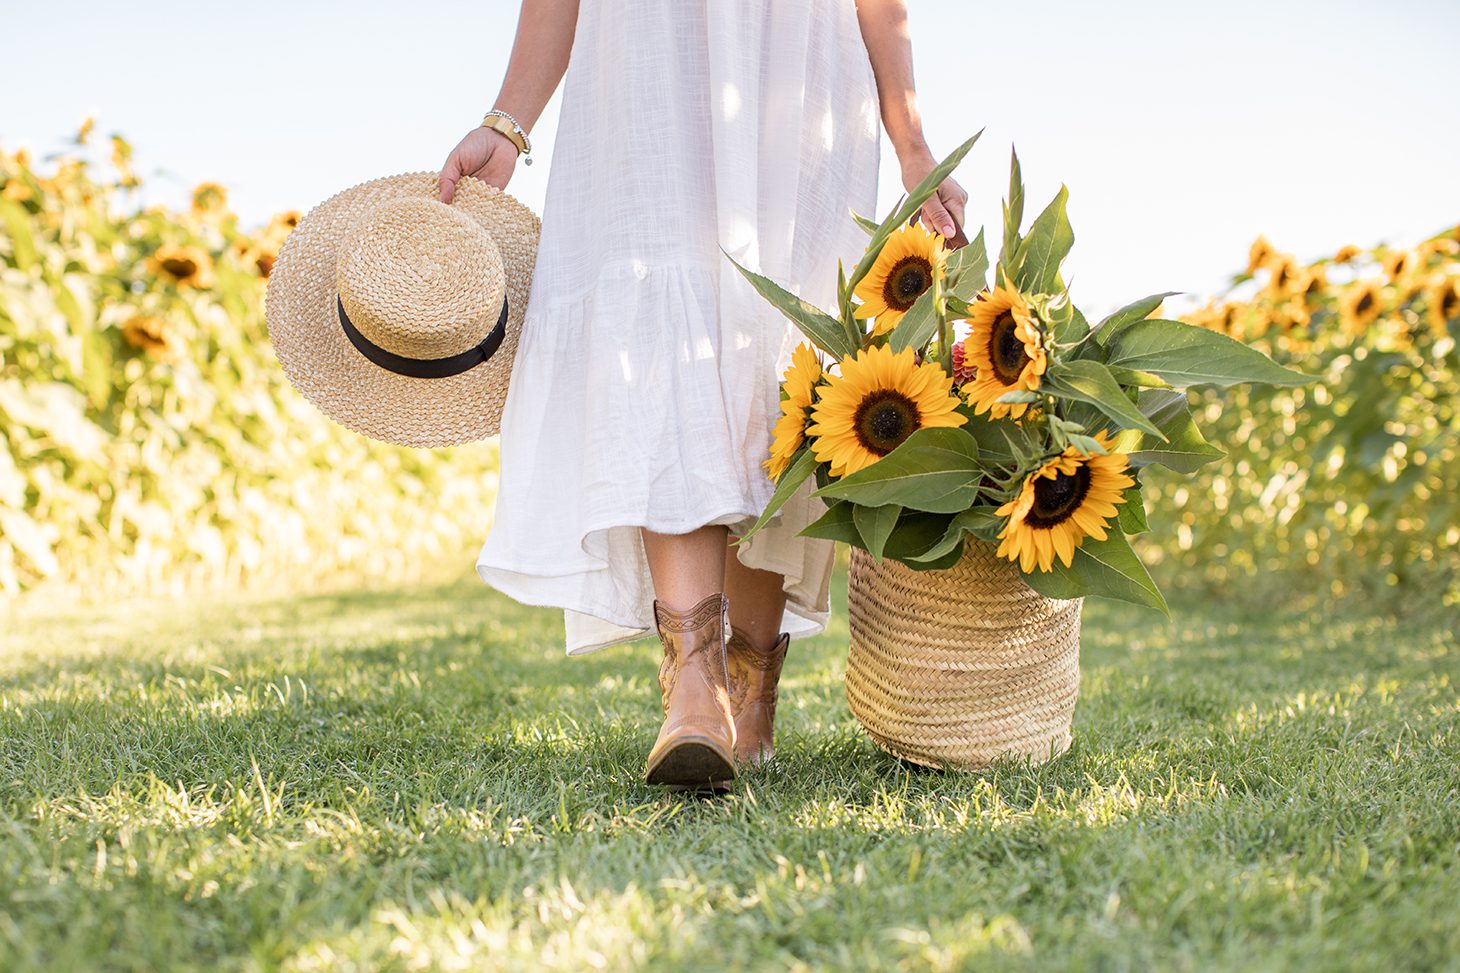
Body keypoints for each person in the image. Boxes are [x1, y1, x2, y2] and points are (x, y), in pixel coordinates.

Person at [438, 0, 966, 789]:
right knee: (656, 339)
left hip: (800, 65)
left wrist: (912, 142)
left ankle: (749, 687)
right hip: (648, 56)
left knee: (780, 363)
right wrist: (509, 121)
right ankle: (694, 680)